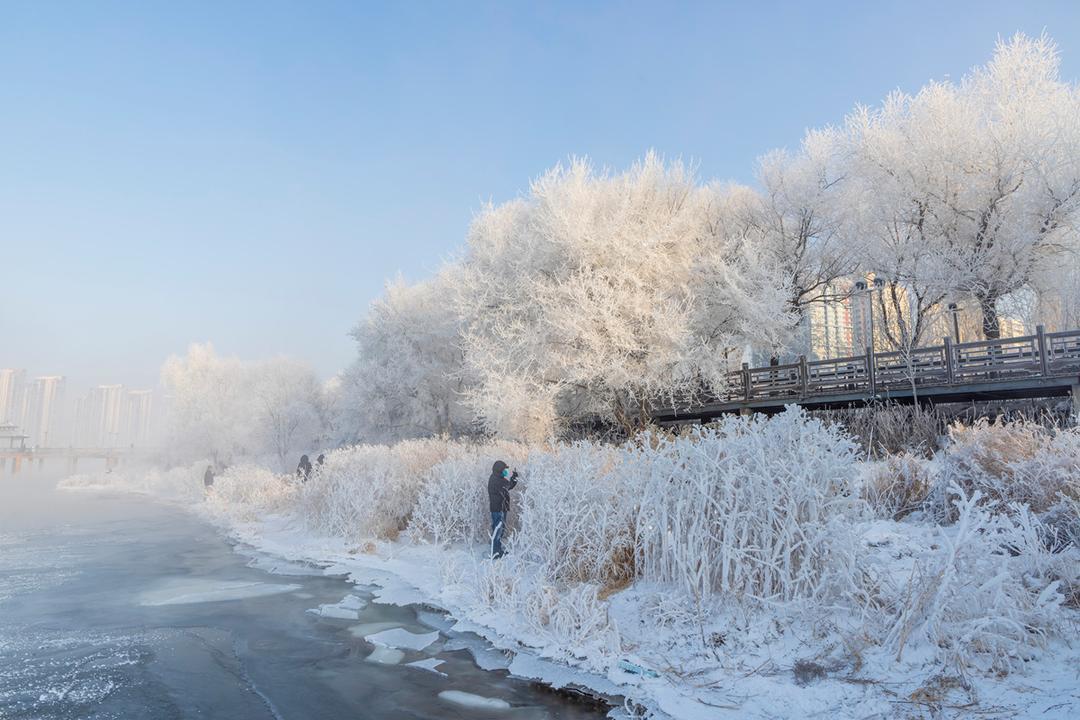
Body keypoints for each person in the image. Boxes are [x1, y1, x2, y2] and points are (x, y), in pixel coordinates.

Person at [486, 460, 518, 559]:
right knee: (497, 530)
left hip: (500, 508)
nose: (505, 471)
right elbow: (508, 486)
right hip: (498, 510)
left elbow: (508, 486)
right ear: (500, 470)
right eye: (504, 469)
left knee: (499, 530)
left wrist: (514, 478)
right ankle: (496, 553)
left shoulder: (497, 478)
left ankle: (497, 549)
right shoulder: (497, 480)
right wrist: (514, 479)